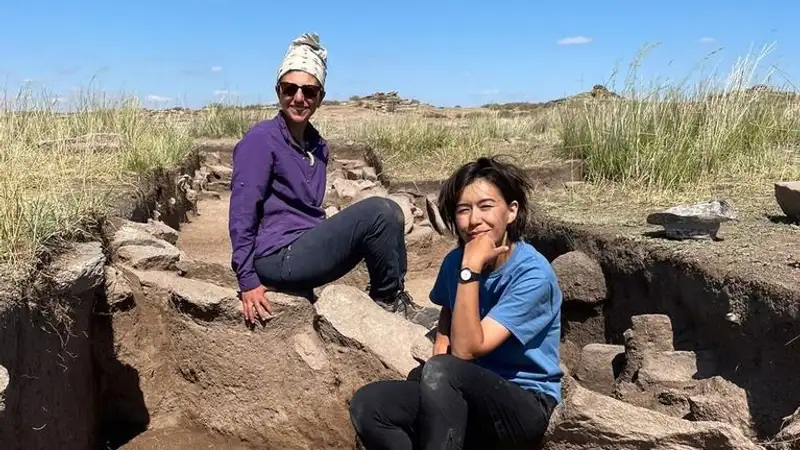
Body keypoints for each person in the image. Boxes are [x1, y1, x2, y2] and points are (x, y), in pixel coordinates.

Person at [349, 156, 564, 450]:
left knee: (443, 371)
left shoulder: (533, 275)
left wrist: (470, 269)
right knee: (370, 405)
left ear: (511, 211)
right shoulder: (454, 262)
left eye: (486, 207)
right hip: (463, 392)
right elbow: (449, 313)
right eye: (464, 210)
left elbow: (466, 350)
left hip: (523, 404)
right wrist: (440, 344)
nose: (474, 220)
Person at [227, 32, 437, 328]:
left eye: (309, 92)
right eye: (290, 89)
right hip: (277, 256)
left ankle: (392, 295)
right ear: (278, 91)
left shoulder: (318, 146)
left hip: (303, 246)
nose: (299, 98)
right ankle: (389, 301)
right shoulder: (261, 141)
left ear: (320, 98)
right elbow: (242, 212)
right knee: (380, 211)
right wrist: (247, 279)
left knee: (387, 215)